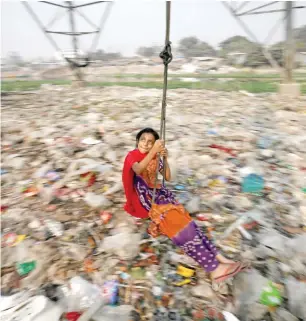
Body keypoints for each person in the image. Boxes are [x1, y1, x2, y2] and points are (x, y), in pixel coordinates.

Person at [122, 128, 246, 283]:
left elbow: (167, 176)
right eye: (143, 140)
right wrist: (154, 150)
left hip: (161, 194)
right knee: (182, 232)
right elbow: (138, 169)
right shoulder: (131, 156)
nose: (146, 144)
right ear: (137, 141)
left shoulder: (154, 156)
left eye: (150, 142)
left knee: (190, 224)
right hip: (149, 201)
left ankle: (219, 257)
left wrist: (163, 159)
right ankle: (214, 269)